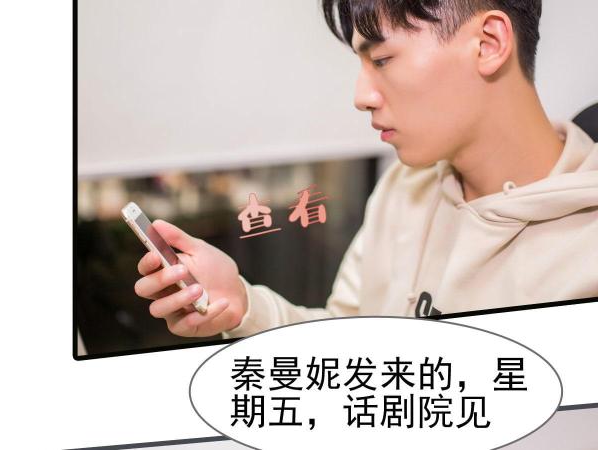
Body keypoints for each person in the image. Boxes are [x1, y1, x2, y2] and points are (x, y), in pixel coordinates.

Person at [133, 0, 598, 339]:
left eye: (382, 59)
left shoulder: (585, 255)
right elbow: (351, 340)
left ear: (488, 43)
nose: (361, 96)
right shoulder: (404, 186)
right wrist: (241, 304)